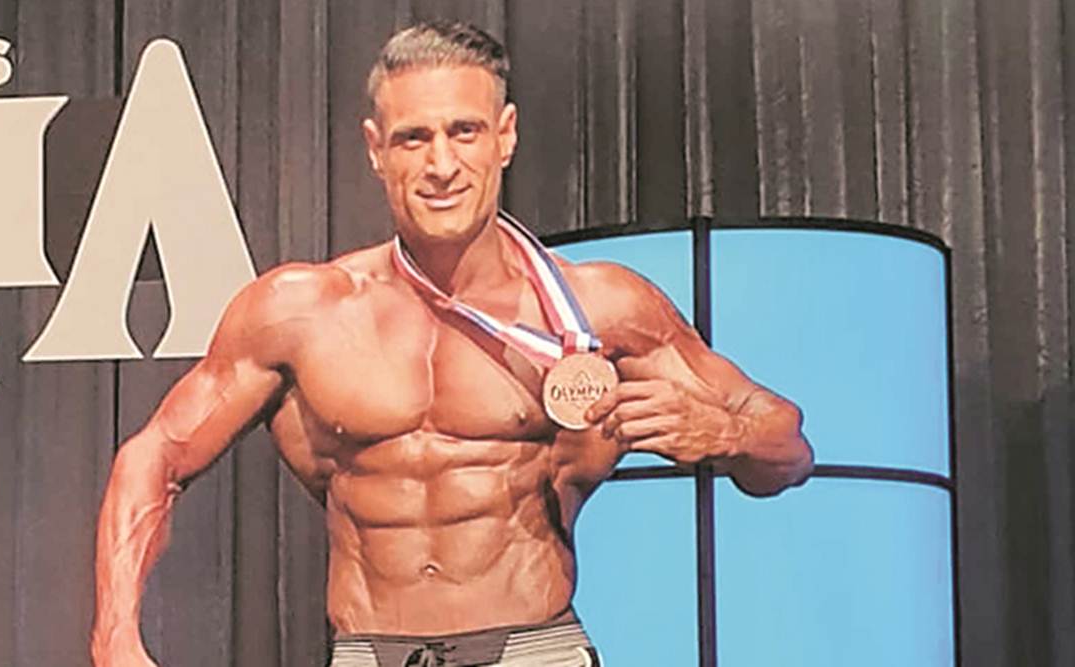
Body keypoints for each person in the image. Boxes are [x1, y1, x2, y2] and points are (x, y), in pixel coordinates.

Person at [90, 21, 813, 667]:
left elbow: (790, 452)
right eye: (414, 138)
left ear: (505, 135)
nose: (441, 165)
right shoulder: (300, 311)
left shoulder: (602, 307)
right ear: (376, 150)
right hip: (370, 650)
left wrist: (731, 434)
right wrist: (115, 638)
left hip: (535, 650)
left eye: (464, 132)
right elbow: (156, 455)